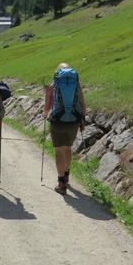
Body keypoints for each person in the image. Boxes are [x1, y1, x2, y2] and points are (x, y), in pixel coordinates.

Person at [43, 63, 86, 195]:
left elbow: (47, 108)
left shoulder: (53, 85)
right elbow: (82, 103)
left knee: (58, 151)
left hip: (58, 121)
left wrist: (45, 115)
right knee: (67, 148)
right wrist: (82, 121)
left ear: (58, 72)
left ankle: (61, 183)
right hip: (73, 121)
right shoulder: (76, 84)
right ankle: (66, 175)